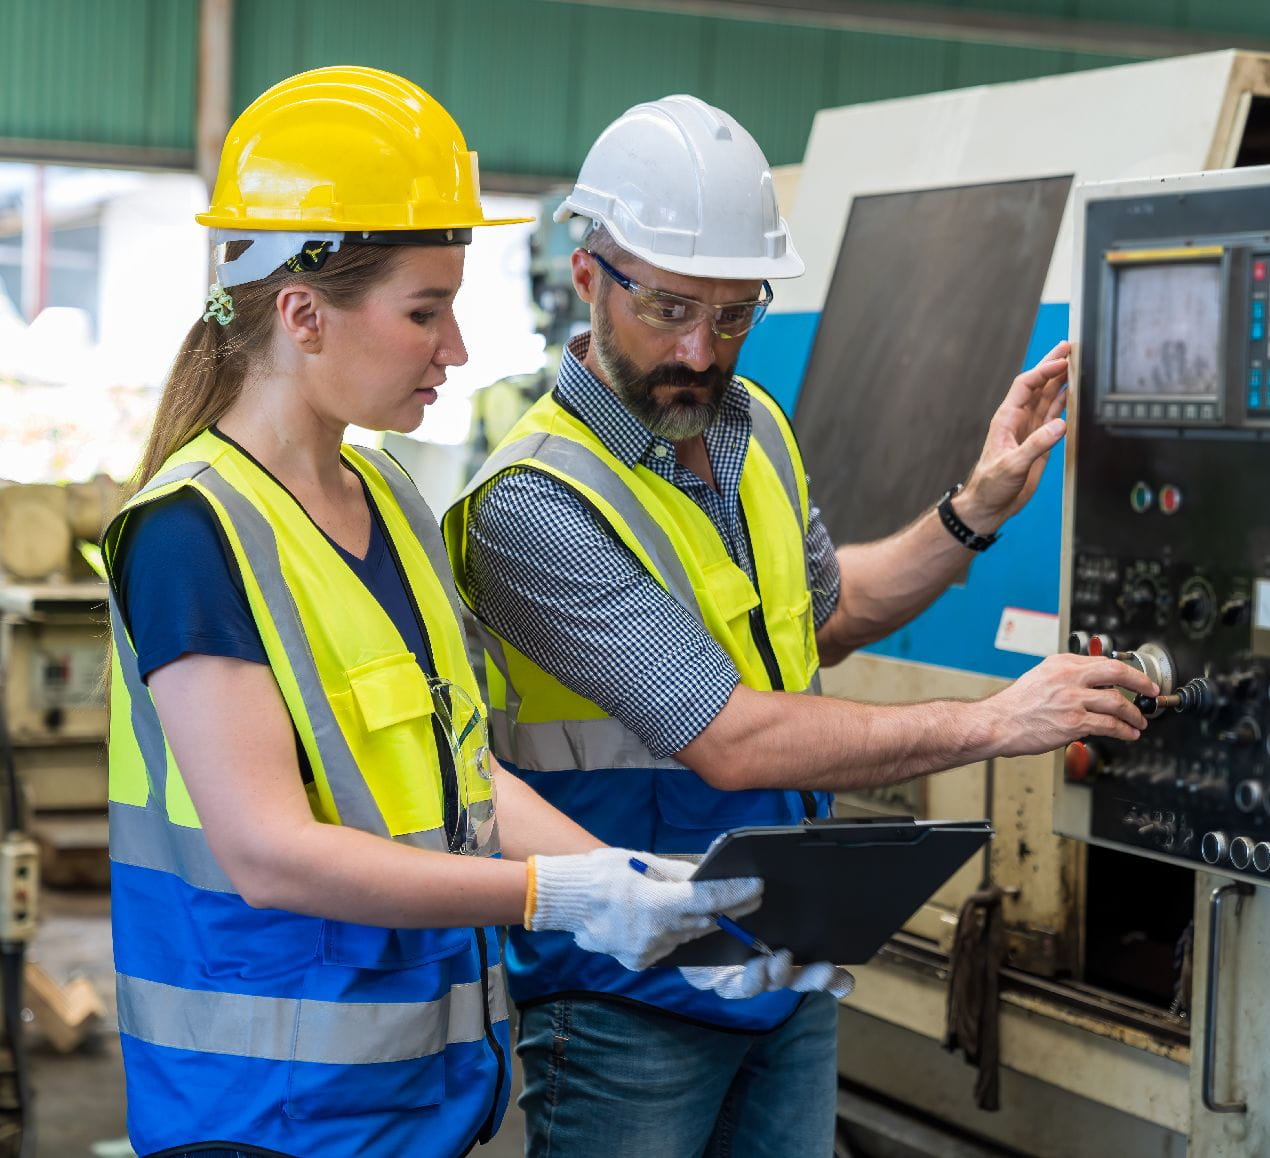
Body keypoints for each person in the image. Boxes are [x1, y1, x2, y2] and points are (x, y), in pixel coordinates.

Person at [104, 69, 826, 1158]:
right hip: (265, 1116)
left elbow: (465, 777)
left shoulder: (389, 501)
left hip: (417, 1101)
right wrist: (557, 894)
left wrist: (633, 886)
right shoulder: (193, 535)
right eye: (424, 312)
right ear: (302, 312)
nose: (455, 350)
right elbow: (269, 852)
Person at [442, 94, 1159, 1155]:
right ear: (590, 276)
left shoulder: (752, 429)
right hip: (630, 992)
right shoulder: (534, 503)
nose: (700, 349)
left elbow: (828, 615)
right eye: (672, 310)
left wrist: (975, 510)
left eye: (733, 315)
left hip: (784, 965)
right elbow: (730, 738)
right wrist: (992, 721)